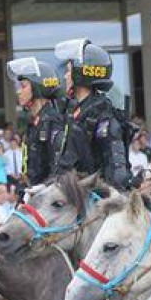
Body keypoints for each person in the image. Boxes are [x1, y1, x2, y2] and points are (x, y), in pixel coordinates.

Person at [54, 39, 131, 189]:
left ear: (80, 73)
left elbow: (117, 173)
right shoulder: (75, 113)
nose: (65, 76)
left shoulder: (103, 117)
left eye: (69, 71)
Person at [6, 57, 67, 186]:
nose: (18, 91)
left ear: (37, 87)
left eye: (23, 86)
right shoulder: (33, 123)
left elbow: (58, 170)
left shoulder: (53, 122)